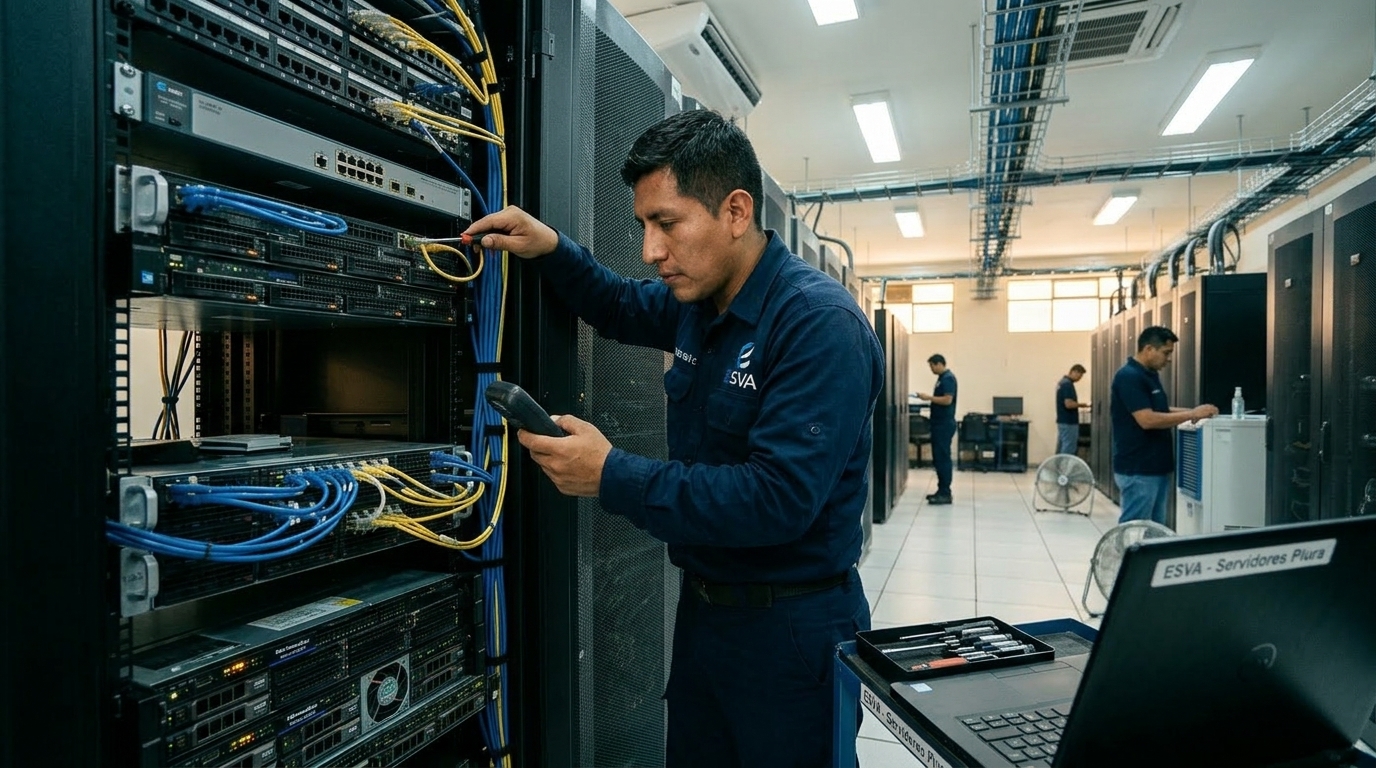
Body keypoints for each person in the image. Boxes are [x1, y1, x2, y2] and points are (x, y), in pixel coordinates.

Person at [464, 109, 884, 767]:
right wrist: (552, 248)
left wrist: (611, 474)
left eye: (667, 223)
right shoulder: (700, 304)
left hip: (793, 631)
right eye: (643, 226)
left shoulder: (816, 325)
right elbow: (617, 304)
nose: (651, 250)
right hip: (706, 619)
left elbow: (776, 499)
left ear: (737, 211)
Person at [1111, 326, 1219, 525]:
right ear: (1149, 349)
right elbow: (1147, 419)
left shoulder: (1149, 376)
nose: (1169, 359)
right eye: (1166, 353)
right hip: (1138, 468)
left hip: (1155, 467)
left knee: (1153, 530)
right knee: (1134, 530)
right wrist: (1192, 414)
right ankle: (1119, 557)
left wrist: (1197, 412)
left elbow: (1161, 410)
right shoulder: (1129, 376)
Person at [915, 354, 957, 505]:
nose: (931, 369)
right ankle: (942, 490)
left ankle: (945, 493)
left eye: (932, 365)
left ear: (939, 364)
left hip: (944, 425)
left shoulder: (947, 378)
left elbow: (947, 400)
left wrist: (928, 398)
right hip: (939, 424)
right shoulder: (942, 378)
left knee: (943, 458)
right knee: (939, 458)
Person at [1056, 364, 1090, 456]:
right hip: (1069, 422)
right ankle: (1065, 470)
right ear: (1074, 372)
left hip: (1063, 421)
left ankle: (1059, 469)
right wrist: (1085, 405)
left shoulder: (1062, 382)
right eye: (1080, 375)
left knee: (1062, 447)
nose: (1080, 378)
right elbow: (1069, 404)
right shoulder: (1067, 384)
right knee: (1069, 448)